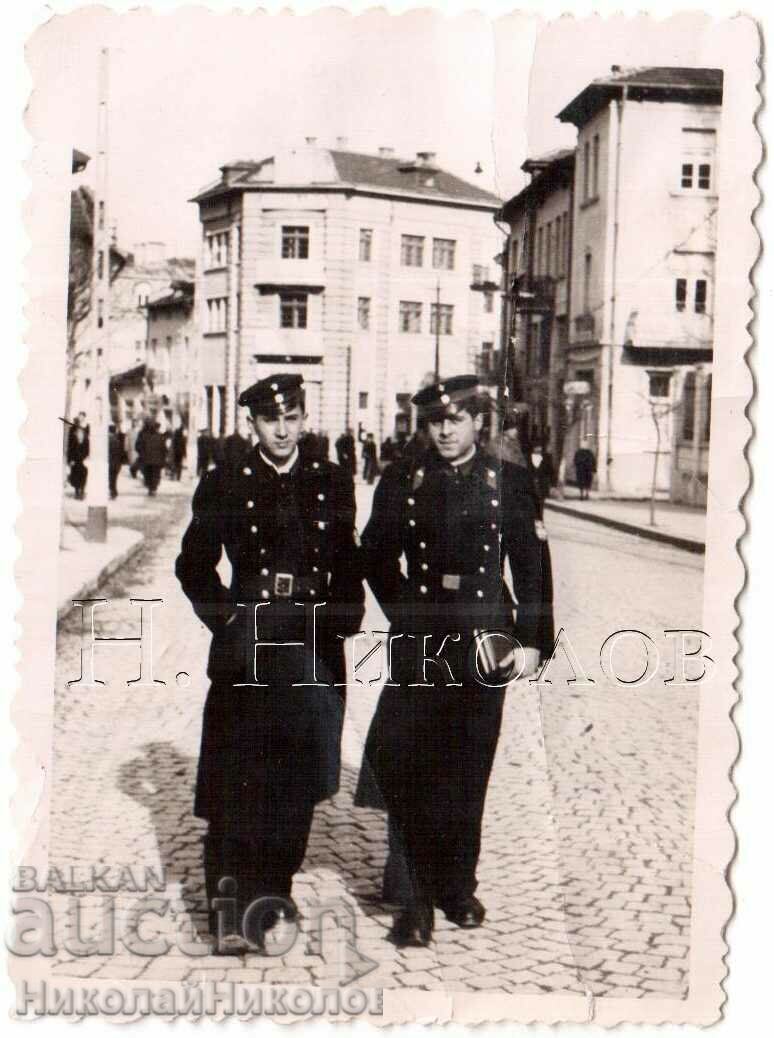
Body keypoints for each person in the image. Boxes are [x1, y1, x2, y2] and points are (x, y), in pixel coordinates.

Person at [355, 375, 553, 948]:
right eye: (435, 421)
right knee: (414, 766)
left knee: (469, 767)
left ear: (477, 422)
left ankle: (457, 885)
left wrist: (534, 638)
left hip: (485, 641)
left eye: (456, 419)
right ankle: (414, 901)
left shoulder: (510, 482)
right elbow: (375, 556)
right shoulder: (403, 479)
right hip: (421, 641)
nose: (444, 430)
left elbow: (532, 564)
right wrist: (403, 612)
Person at [175, 373, 365, 953]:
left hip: (311, 644)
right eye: (269, 419)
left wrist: (344, 615)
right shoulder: (227, 482)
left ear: (304, 419)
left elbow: (347, 562)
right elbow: (194, 565)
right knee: (238, 778)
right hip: (248, 644)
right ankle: (230, 910)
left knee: (295, 783)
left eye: (291, 418)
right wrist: (226, 618)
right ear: (252, 424)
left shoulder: (332, 480)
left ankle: (273, 894)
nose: (282, 430)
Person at [527, 443, 555, 518]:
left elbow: (551, 471)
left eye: (539, 447)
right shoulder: (527, 458)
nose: (538, 449)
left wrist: (553, 485)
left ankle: (540, 519)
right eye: (536, 447)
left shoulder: (547, 458)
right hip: (530, 485)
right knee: (531, 503)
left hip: (542, 484)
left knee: (541, 503)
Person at [140, 420, 166, 496]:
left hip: (147, 460)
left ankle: (151, 488)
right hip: (157, 461)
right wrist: (163, 459)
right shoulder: (161, 437)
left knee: (149, 475)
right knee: (155, 475)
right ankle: (153, 489)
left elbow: (140, 447)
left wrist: (143, 455)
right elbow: (164, 450)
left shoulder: (145, 437)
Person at [67, 423, 89, 500]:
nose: (79, 432)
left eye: (81, 431)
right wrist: (70, 460)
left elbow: (88, 450)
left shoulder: (86, 439)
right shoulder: (73, 438)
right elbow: (70, 450)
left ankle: (82, 491)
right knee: (75, 477)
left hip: (83, 461)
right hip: (75, 461)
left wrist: (86, 458)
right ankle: (76, 492)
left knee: (83, 476)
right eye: (78, 431)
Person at [108, 424, 126, 500]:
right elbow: (122, 452)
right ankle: (113, 492)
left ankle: (113, 492)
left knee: (110, 478)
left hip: (110, 463)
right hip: (117, 463)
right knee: (114, 479)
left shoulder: (107, 440)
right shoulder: (118, 440)